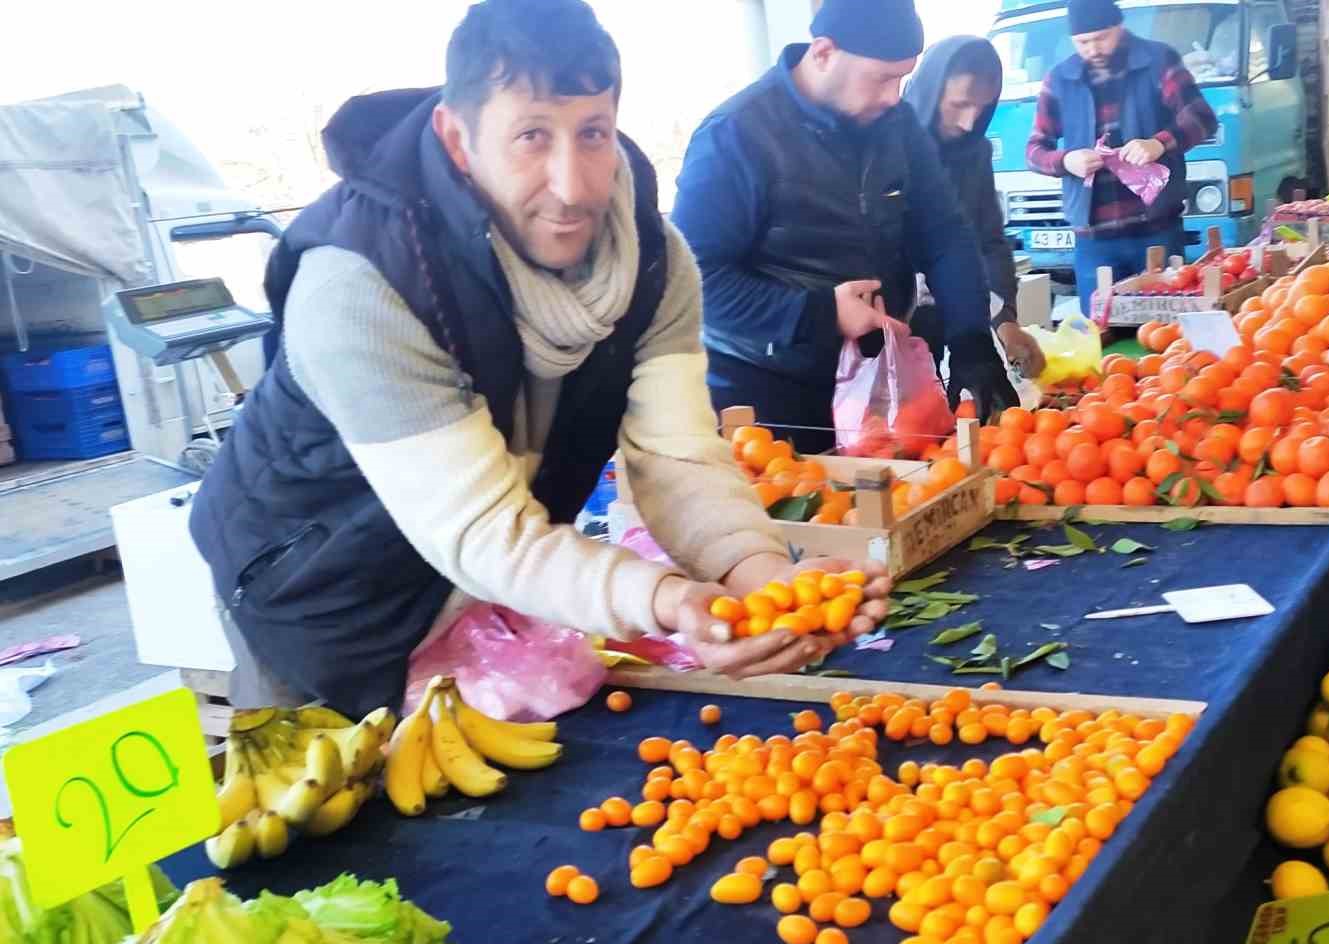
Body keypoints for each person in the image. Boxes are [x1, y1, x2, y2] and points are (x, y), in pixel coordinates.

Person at [186, 0, 890, 717]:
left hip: (483, 586)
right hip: (320, 592)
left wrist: (762, 576)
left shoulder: (651, 263)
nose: (573, 184)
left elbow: (676, 455)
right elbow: (484, 531)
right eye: (530, 136)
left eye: (593, 133)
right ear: (458, 139)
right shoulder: (364, 284)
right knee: (331, 806)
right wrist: (668, 600)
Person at [672, 0, 1023, 454]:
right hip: (769, 393)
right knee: (807, 515)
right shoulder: (735, 135)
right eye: (880, 78)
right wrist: (820, 314)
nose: (894, 96)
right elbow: (692, 281)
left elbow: (945, 235)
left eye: (901, 78)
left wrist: (971, 340)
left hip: (881, 385)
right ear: (823, 53)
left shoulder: (895, 125)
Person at [1024, 0, 1218, 318]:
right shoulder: (1059, 79)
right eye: (1083, 42)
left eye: (1101, 38)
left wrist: (1159, 144)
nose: (1093, 49)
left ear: (1119, 26)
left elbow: (1202, 118)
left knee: (1166, 330)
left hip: (1156, 230)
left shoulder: (1158, 62)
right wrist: (1066, 160)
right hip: (1093, 239)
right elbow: (1034, 150)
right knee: (1102, 335)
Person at [902, 36, 1047, 388]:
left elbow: (988, 239)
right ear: (929, 91)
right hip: (884, 324)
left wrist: (1006, 322)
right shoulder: (886, 144)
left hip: (950, 318)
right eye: (959, 104)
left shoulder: (974, 153)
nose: (969, 122)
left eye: (982, 109)